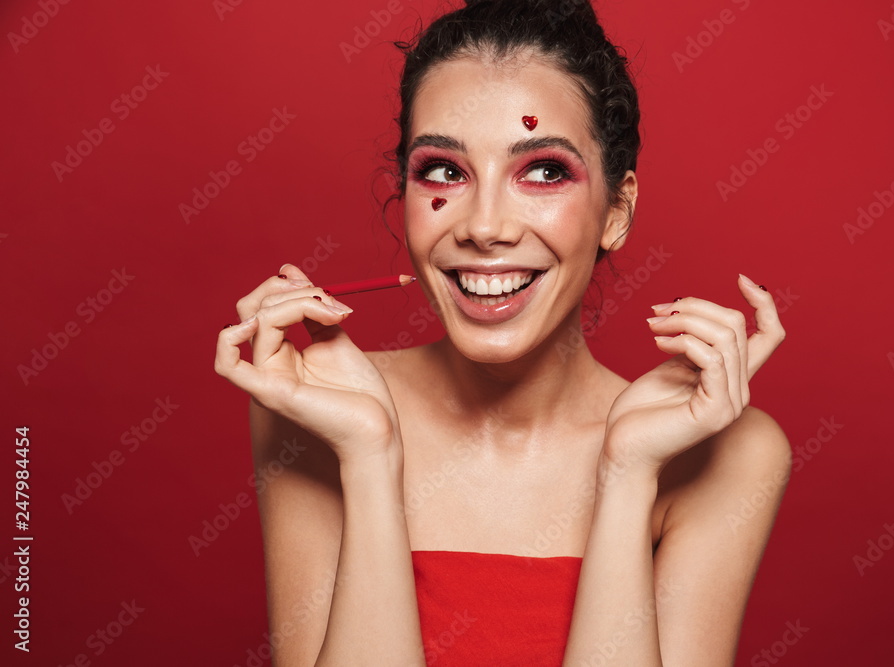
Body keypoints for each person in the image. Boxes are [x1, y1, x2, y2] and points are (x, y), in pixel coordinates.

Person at [214, 0, 789, 664]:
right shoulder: (316, 405)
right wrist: (369, 457)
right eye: (445, 171)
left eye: (544, 170)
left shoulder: (725, 450)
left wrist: (628, 470)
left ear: (616, 211)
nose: (484, 225)